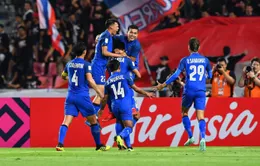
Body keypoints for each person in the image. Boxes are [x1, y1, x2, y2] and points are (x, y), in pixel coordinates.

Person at [154, 37, 212, 151]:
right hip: (201, 90)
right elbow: (209, 77)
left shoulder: (185, 60)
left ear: (188, 47)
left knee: (184, 112)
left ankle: (190, 136)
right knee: (201, 116)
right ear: (199, 47)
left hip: (189, 89)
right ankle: (203, 138)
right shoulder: (205, 60)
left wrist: (163, 85)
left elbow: (176, 75)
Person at [56, 42, 110, 151]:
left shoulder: (69, 64)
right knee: (93, 121)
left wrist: (71, 79)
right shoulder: (86, 64)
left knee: (66, 121)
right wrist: (99, 92)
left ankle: (60, 144)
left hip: (70, 96)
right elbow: (90, 80)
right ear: (84, 52)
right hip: (82, 97)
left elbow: (63, 76)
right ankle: (99, 145)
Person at [99, 59, 154, 151]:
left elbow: (105, 98)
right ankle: (120, 137)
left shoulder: (107, 82)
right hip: (125, 103)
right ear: (119, 67)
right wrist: (146, 93)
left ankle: (128, 147)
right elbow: (136, 88)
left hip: (114, 105)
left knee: (119, 122)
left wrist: (101, 109)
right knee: (129, 126)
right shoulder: (125, 76)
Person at [91, 18, 125, 115]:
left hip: (101, 67)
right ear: (111, 26)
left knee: (101, 93)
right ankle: (92, 116)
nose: (118, 28)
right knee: (101, 93)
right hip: (98, 66)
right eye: (117, 26)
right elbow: (104, 52)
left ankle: (92, 116)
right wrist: (119, 55)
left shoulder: (107, 36)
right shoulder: (106, 36)